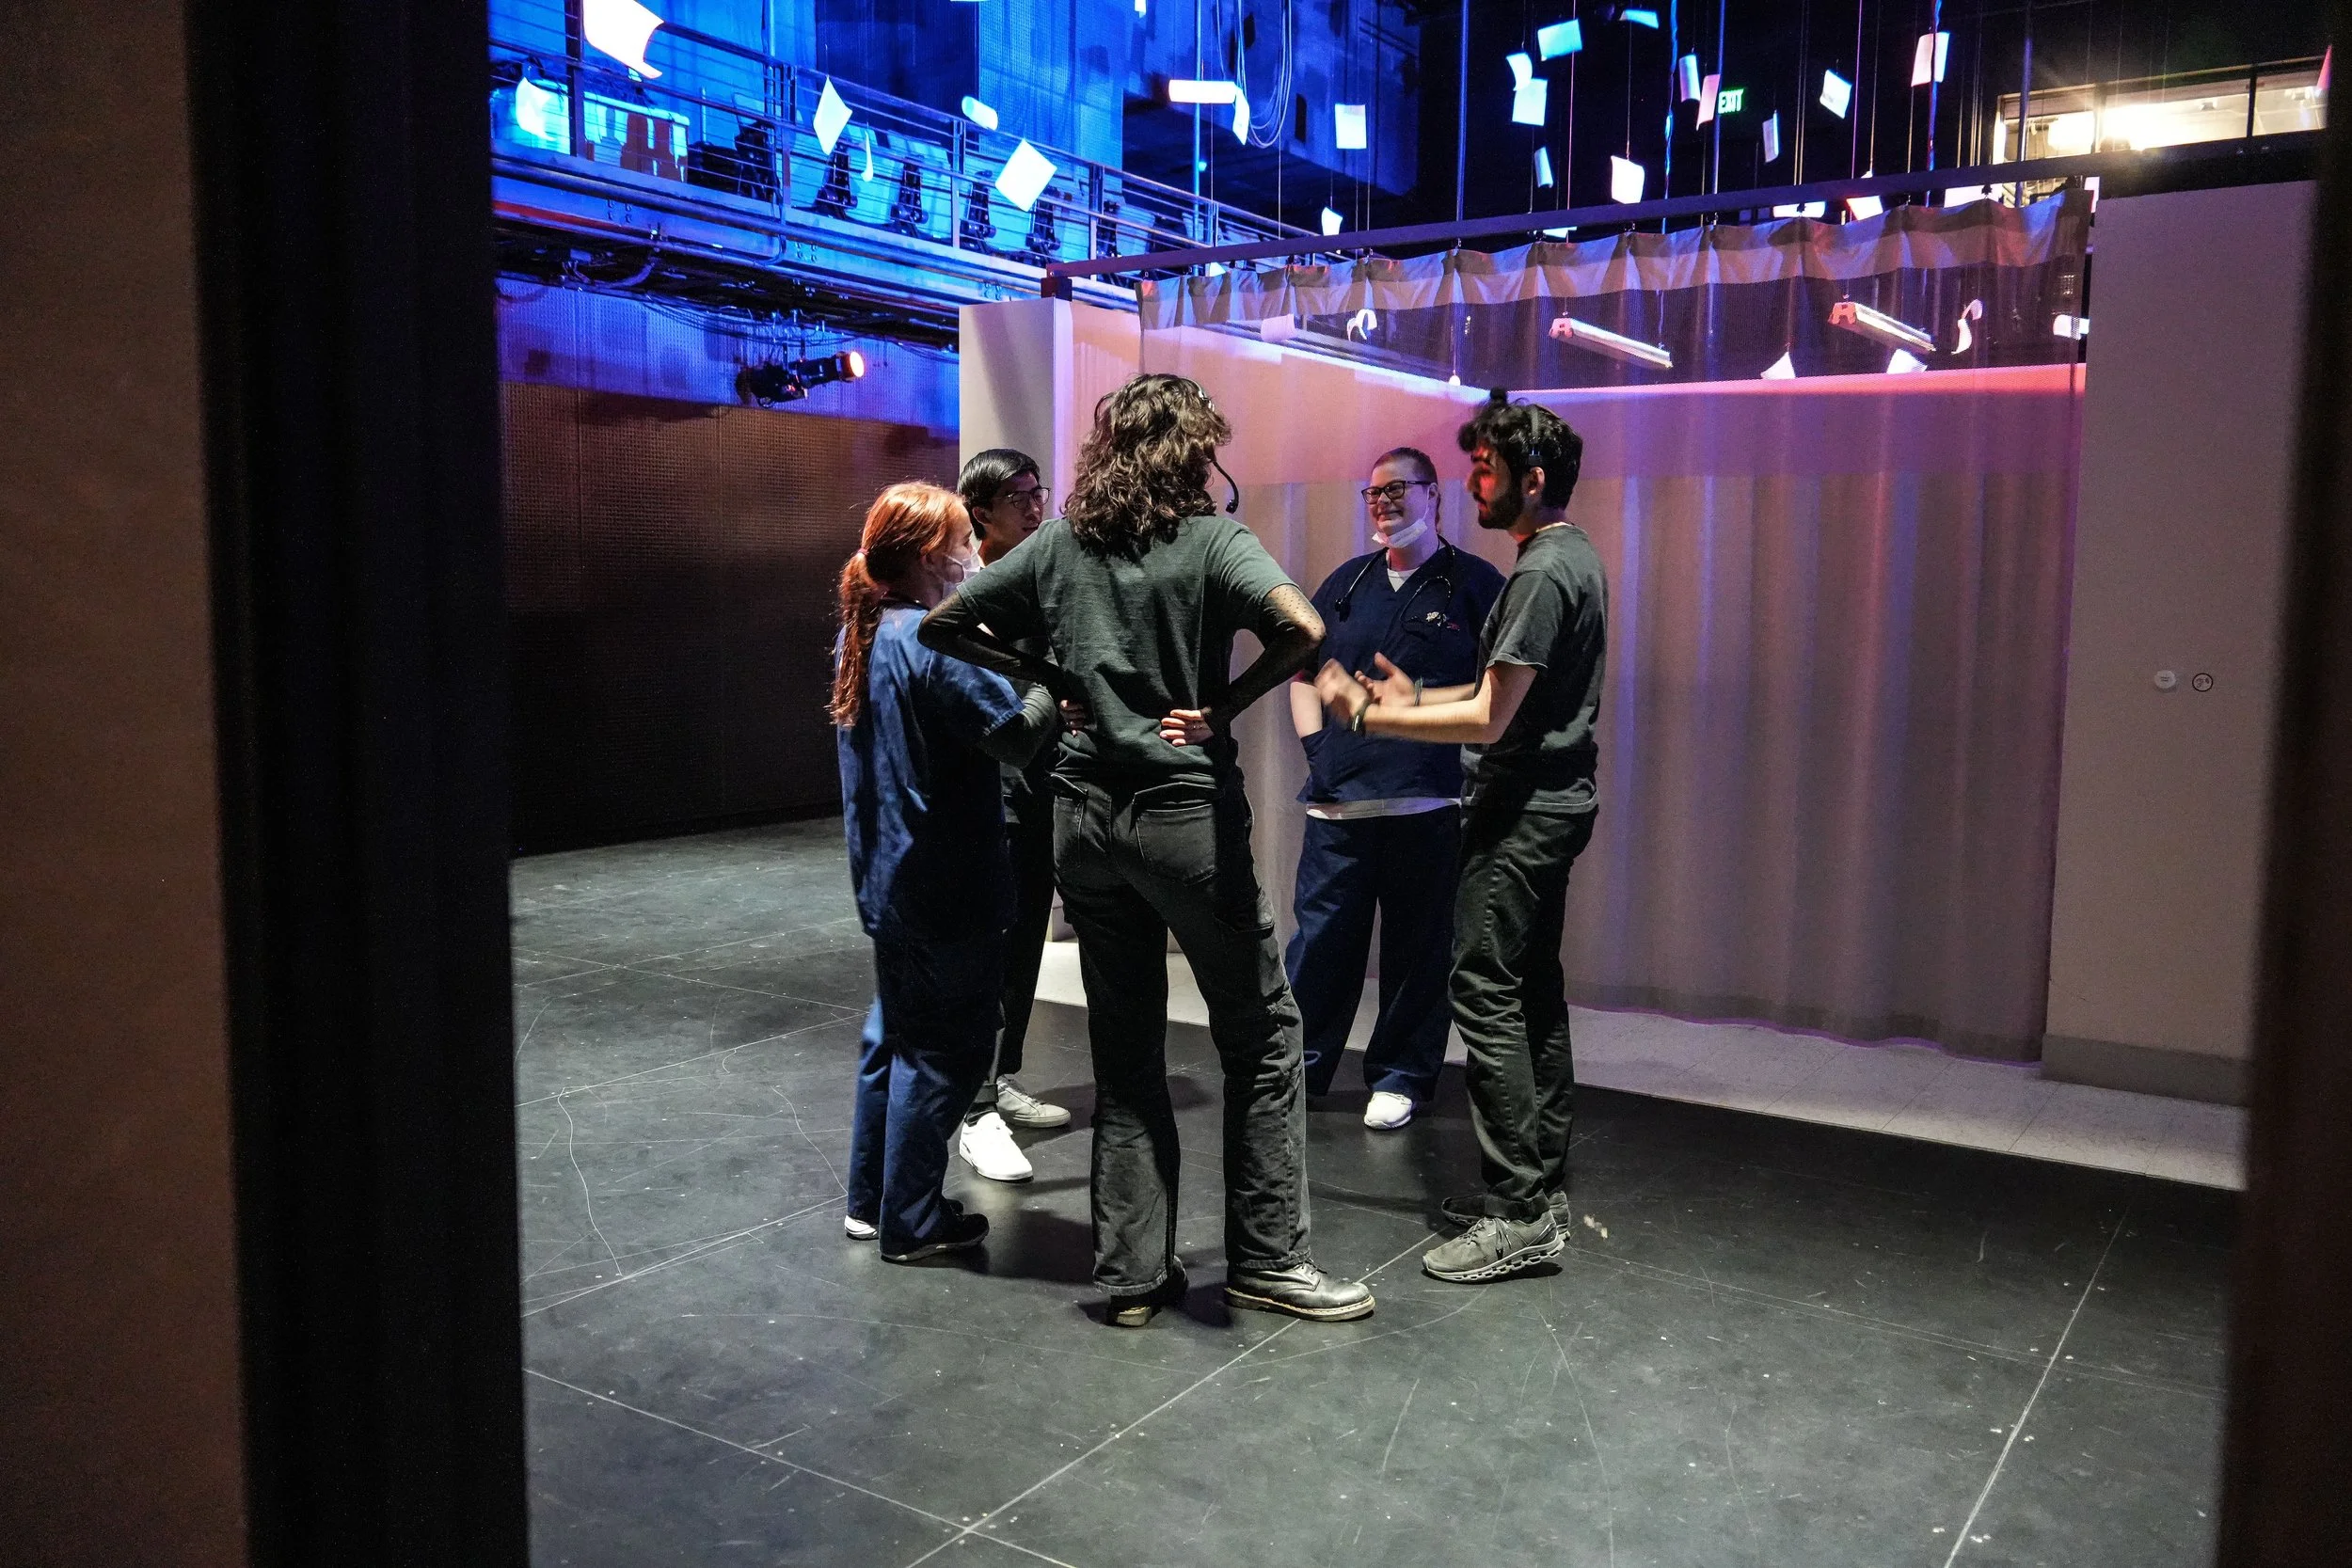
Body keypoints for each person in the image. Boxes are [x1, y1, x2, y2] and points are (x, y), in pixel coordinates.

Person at [921, 373, 1375, 1327]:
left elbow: (944, 622)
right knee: (1263, 1035)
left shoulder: (1060, 542)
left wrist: (1048, 677)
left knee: (1124, 1047)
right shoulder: (1214, 539)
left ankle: (1130, 1276)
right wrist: (1223, 710)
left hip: (1083, 821)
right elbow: (1302, 628)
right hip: (1182, 821)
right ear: (1191, 450)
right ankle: (1268, 1260)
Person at [1315, 391, 1605, 1286]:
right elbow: (1495, 698)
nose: (1476, 483)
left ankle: (1519, 1212)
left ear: (1533, 479)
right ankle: (1538, 1189)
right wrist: (1413, 700)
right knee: (1529, 988)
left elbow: (1488, 719)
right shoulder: (1567, 557)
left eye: (1486, 470)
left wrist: (1372, 715)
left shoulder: (1540, 574)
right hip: (1549, 807)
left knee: (1484, 990)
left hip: (1522, 815)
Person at [834, 482, 1062, 1262]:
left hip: (889, 878)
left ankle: (873, 1202)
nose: (974, 555)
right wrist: (1052, 676)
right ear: (933, 556)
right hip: (947, 883)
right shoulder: (936, 642)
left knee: (894, 1038)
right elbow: (1015, 735)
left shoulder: (866, 631)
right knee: (947, 1054)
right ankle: (912, 1220)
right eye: (965, 541)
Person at [1285, 448, 1504, 1130]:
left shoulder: (1475, 585)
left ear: (1434, 494)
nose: (1382, 502)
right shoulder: (1346, 583)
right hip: (1339, 801)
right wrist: (1318, 748)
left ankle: (1401, 1075)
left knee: (1419, 950)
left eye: (1396, 489)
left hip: (1428, 801)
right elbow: (1303, 675)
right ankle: (1300, 1069)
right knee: (1320, 945)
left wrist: (1420, 704)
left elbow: (1499, 690)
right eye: (1372, 493)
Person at [951, 448, 1073, 1185]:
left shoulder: (1042, 579)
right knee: (990, 948)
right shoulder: (965, 593)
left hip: (1038, 783)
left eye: (1038, 492)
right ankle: (973, 1111)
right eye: (1018, 496)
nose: (1035, 506)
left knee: (1025, 935)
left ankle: (1000, 1077)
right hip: (988, 787)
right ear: (981, 513)